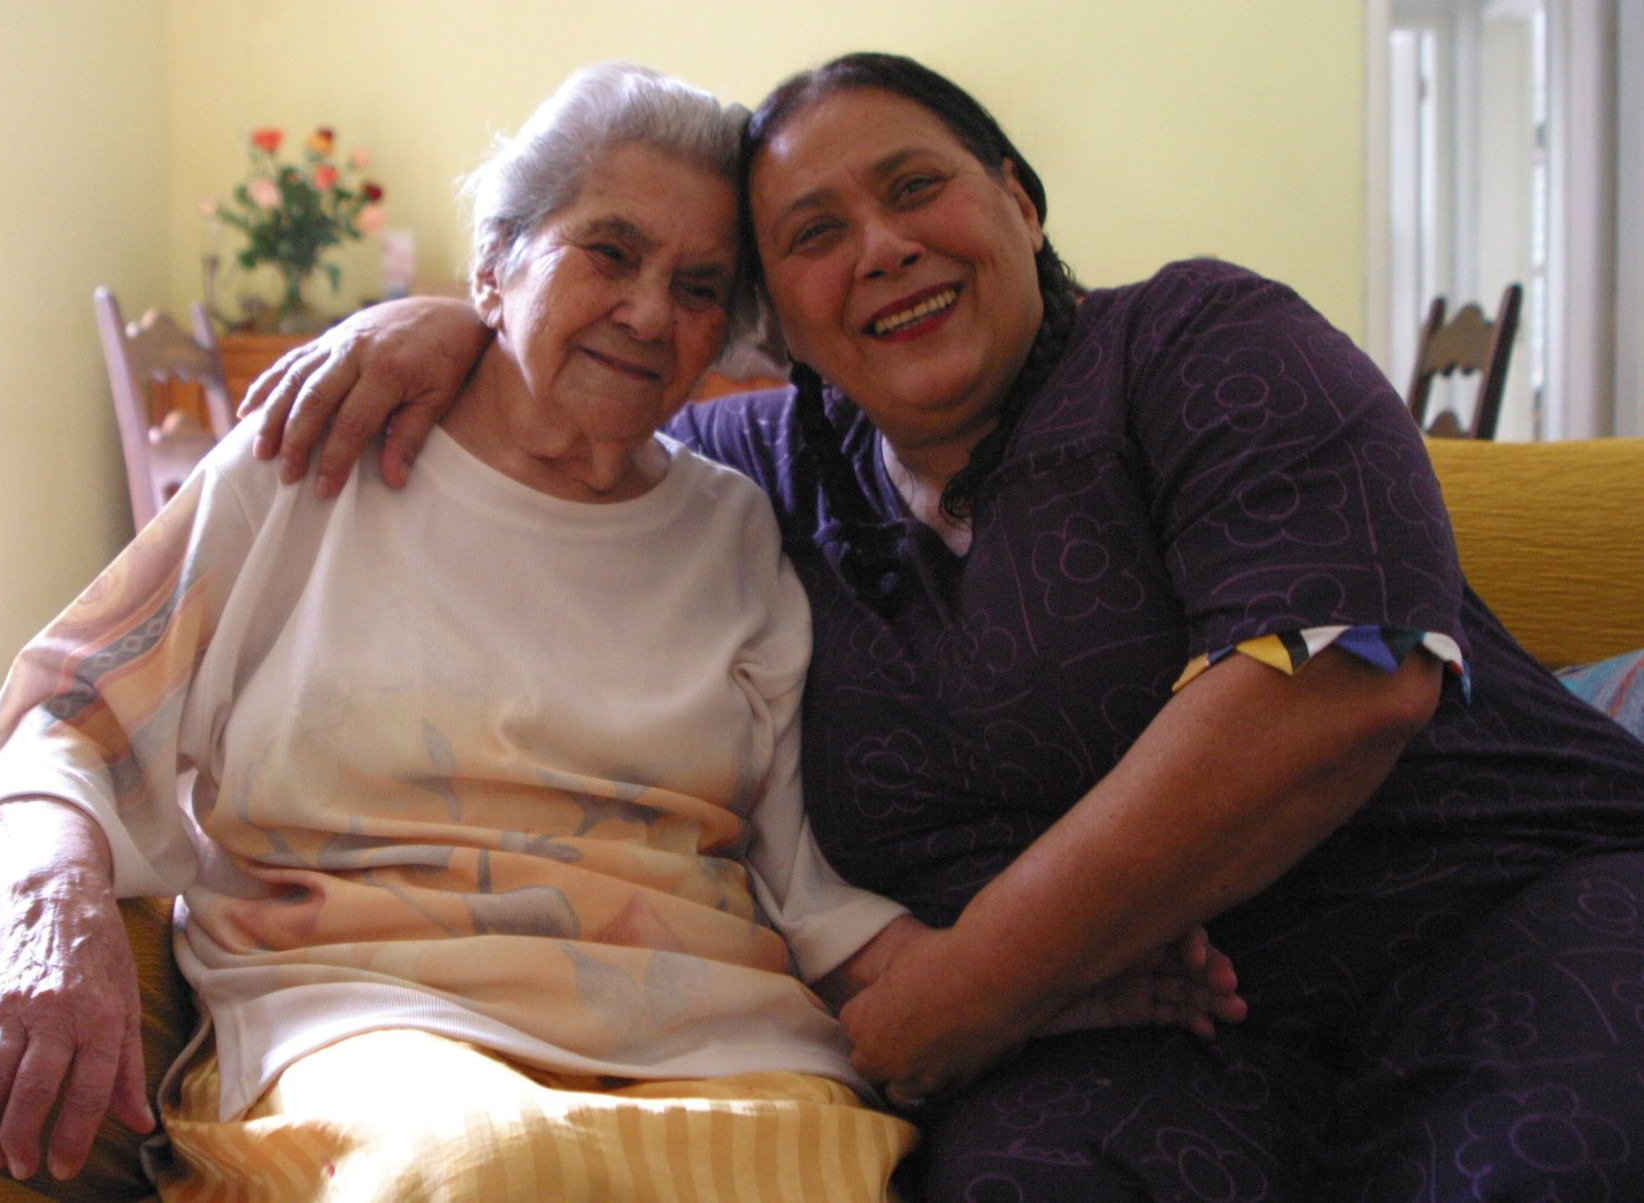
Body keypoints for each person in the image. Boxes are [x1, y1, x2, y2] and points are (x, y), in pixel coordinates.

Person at [242, 51, 1644, 1203]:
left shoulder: (1199, 344)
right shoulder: (762, 474)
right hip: (1158, 1022)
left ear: (1021, 202)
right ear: (773, 321)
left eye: (917, 188)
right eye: (813, 235)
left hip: (1492, 917)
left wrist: (965, 988)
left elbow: (1339, 677)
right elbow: (579, 397)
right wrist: (445, 328)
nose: (886, 248)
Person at [0, 63, 1242, 1203]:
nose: (649, 313)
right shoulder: (311, 461)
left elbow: (800, 873)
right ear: (494, 265)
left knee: (829, 1171)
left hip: (720, 1039)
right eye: (608, 253)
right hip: (381, 1021)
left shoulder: (736, 525)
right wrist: (64, 909)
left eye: (699, 288)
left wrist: (1033, 988)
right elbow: (66, 710)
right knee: (487, 1173)